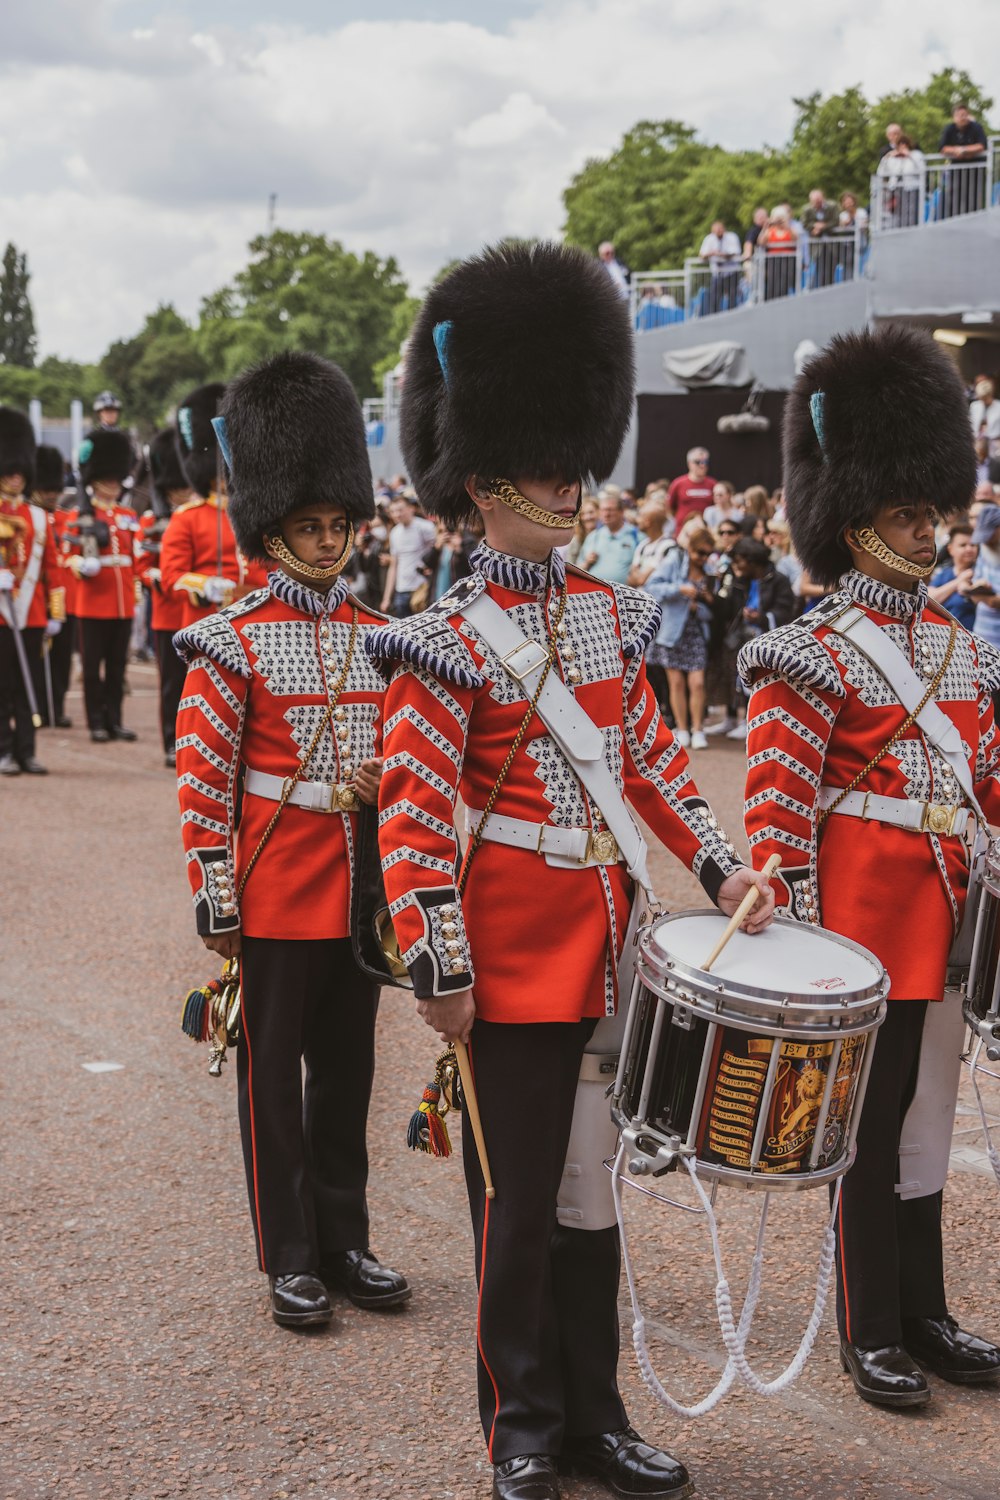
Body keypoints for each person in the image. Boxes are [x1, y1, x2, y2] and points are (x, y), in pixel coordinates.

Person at [368, 241, 774, 1500]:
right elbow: (413, 819)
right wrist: (436, 961)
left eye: (574, 467)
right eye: (550, 473)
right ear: (483, 484)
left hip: (609, 950)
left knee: (595, 1205)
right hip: (507, 960)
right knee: (517, 1205)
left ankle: (595, 1414)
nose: (573, 487)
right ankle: (523, 1429)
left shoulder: (604, 614)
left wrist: (725, 869)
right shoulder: (441, 643)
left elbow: (647, 757)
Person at [740, 324, 1000, 1410]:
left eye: (933, 510)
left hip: (944, 919)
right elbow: (777, 806)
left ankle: (925, 1312)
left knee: (929, 1121)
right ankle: (868, 1326)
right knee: (868, 1125)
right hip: (860, 925)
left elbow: (983, 778)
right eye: (907, 513)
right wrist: (796, 941)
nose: (929, 529)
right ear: (855, 522)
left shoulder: (958, 642)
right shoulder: (810, 647)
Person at [174, 351, 409, 1332]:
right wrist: (217, 896)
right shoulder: (231, 636)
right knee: (273, 1085)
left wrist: (379, 789)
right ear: (273, 531)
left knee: (348, 1072)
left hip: (355, 886)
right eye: (309, 526)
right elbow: (203, 777)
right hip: (276, 883)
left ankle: (346, 1238)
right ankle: (291, 1254)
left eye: (337, 524)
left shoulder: (379, 631)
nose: (326, 540)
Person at [159, 383, 268, 629]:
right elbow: (171, 578)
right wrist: (203, 586)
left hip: (259, 621)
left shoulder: (258, 513)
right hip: (208, 621)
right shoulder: (187, 518)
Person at [60, 427, 140, 743]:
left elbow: (132, 557)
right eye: (107, 478)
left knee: (118, 667)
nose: (113, 483)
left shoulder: (128, 514)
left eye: (116, 478)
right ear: (94, 480)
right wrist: (83, 564)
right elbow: (67, 557)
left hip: (122, 601)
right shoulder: (79, 516)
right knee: (93, 669)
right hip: (93, 601)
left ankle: (115, 720)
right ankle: (95, 721)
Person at [0, 410, 64, 775]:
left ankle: (27, 749)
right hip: (1, 613)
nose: (15, 477)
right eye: (9, 471)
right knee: (3, 686)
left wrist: (56, 613)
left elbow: (53, 570)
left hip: (32, 613)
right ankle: (4, 749)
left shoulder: (38, 517)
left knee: (28, 687)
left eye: (19, 471)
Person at [136, 428, 192, 767]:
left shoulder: (199, 517)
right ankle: (171, 740)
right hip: (167, 612)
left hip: (195, 610)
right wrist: (158, 577)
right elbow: (142, 565)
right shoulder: (151, 520)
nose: (182, 494)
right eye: (177, 489)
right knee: (172, 683)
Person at [645, 526, 716, 749]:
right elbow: (652, 586)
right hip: (671, 629)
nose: (703, 558)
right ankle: (683, 729)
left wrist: (701, 604)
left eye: (707, 554)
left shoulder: (711, 571)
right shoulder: (674, 560)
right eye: (700, 553)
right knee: (675, 683)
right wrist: (680, 589)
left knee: (697, 682)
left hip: (696, 630)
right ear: (690, 549)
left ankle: (698, 729)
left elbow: (714, 610)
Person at [30, 444, 73, 729]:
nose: (51, 494)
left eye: (54, 489)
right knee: (34, 659)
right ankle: (37, 709)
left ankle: (56, 707)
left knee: (62, 661)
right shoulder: (30, 518)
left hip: (63, 601)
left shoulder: (66, 518)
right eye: (46, 489)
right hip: (33, 600)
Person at [380, 492, 436, 616]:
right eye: (393, 511)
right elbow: (394, 566)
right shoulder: (394, 533)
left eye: (400, 510)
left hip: (421, 587)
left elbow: (438, 551)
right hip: (401, 590)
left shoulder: (425, 527)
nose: (397, 514)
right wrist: (386, 598)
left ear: (411, 508)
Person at [939, 102, 988, 217]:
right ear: (954, 117)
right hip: (957, 171)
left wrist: (964, 150)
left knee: (974, 200)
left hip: (975, 172)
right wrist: (956, 150)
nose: (963, 117)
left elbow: (982, 145)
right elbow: (942, 148)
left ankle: (974, 222)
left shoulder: (976, 127)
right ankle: (953, 223)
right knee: (954, 199)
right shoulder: (949, 129)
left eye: (965, 114)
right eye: (960, 115)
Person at [579, 491, 639, 584]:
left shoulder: (635, 535)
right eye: (603, 510)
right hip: (595, 593)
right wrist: (586, 562)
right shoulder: (593, 536)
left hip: (624, 595)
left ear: (621, 512)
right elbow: (578, 567)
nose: (606, 514)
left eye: (610, 510)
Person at [929, 522, 978, 631]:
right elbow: (930, 600)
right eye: (963, 545)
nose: (969, 549)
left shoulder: (980, 572)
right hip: (942, 634)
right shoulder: (942, 573)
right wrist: (958, 581)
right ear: (950, 549)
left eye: (973, 545)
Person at [876, 135, 925, 229]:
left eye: (904, 144)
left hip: (911, 188)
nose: (902, 147)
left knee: (910, 212)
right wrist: (887, 157)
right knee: (895, 212)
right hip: (895, 188)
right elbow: (880, 172)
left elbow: (922, 169)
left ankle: (911, 229)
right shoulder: (893, 156)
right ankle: (896, 229)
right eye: (900, 144)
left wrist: (909, 156)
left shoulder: (916, 154)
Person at [666, 447, 716, 531]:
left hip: (705, 532)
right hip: (682, 531)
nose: (702, 465)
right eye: (698, 462)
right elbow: (669, 507)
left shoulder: (713, 484)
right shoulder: (678, 483)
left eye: (705, 462)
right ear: (689, 463)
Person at [627, 496, 673, 587]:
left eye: (640, 516)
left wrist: (638, 575)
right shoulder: (643, 545)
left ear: (648, 521)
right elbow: (630, 580)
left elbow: (641, 580)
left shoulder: (668, 546)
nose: (637, 520)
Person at [698, 218, 742, 313]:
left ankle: (732, 316)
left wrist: (721, 254)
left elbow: (735, 252)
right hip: (717, 274)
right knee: (714, 299)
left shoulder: (732, 237)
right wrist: (712, 253)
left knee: (732, 297)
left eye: (720, 229)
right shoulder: (709, 239)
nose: (718, 232)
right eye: (715, 230)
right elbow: (702, 255)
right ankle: (715, 317)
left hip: (731, 273)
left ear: (723, 229)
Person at [801, 189, 836, 286]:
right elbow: (804, 224)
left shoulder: (832, 206)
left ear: (823, 198)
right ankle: (821, 290)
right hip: (817, 245)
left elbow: (835, 222)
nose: (817, 203)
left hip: (831, 244)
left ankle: (830, 290)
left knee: (830, 269)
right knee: (820, 270)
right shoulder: (807, 209)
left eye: (819, 200)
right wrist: (814, 227)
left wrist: (823, 226)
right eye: (814, 201)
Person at [969, 377, 1000, 455]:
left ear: (991, 394)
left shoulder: (998, 407)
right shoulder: (974, 406)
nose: (983, 401)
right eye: (981, 398)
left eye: (985, 398)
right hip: (977, 444)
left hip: (994, 444)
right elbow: (971, 424)